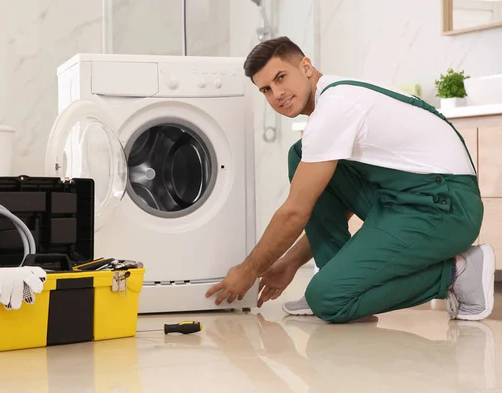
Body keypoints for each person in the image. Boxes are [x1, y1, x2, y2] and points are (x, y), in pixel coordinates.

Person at [204, 36, 496, 323]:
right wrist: (290, 263)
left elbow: (295, 212)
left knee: (327, 300)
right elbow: (331, 199)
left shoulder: (335, 107)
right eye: (266, 89)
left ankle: (457, 272)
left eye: (281, 78)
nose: (276, 94)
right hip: (406, 199)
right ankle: (339, 277)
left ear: (306, 66)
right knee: (300, 153)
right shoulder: (334, 100)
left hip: (446, 208)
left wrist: (248, 270)